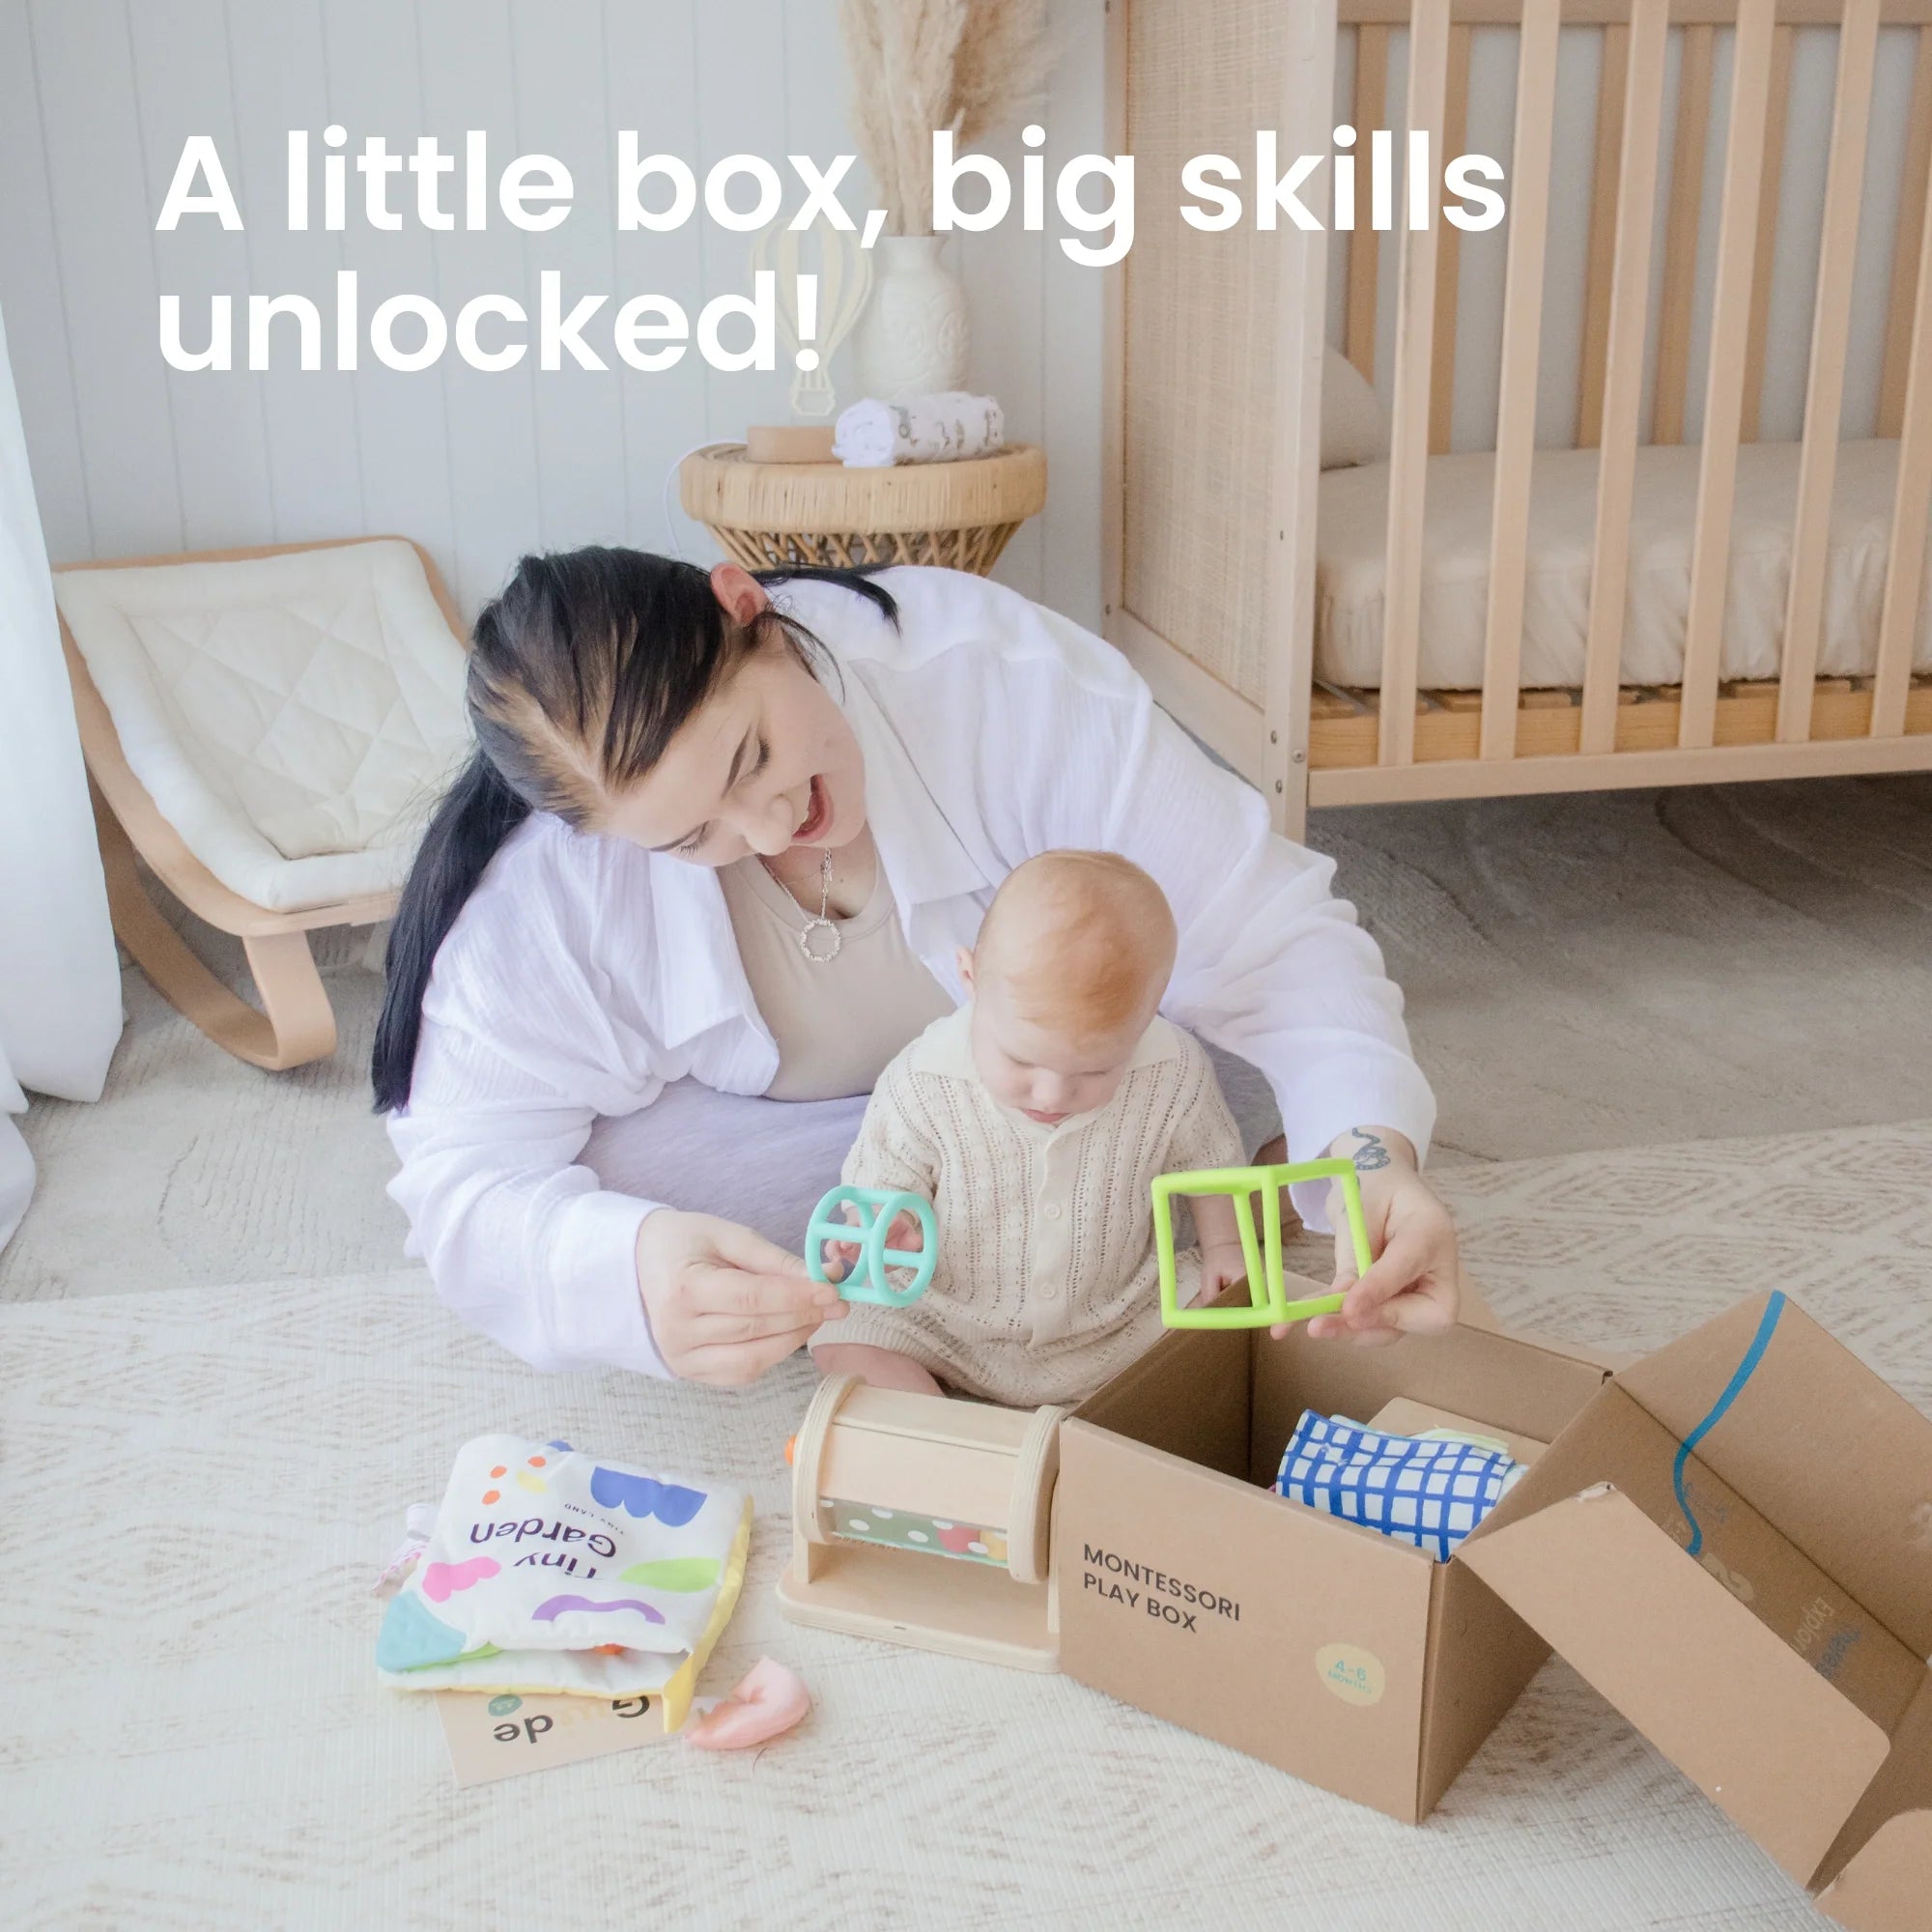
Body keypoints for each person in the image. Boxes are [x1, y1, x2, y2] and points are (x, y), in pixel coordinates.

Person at [373, 552, 1461, 1388]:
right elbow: (462, 1179)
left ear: (746, 606)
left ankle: (1126, 1208)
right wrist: (632, 1272)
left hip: (1071, 1070)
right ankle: (1069, 1234)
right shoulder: (551, 884)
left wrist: (1370, 1157)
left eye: (753, 757)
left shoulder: (992, 679)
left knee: (1172, 1028)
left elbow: (1271, 939)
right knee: (623, 1185)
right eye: (692, 836)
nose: (769, 829)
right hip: (795, 1139)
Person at [812, 850, 1255, 1405]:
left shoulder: (1172, 1068)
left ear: (1148, 1016)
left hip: (1118, 1316)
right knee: (845, 1332)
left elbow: (1212, 1168)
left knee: (1232, 1313)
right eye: (1021, 1060)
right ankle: (944, 1431)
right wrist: (888, 1223)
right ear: (970, 979)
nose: (1051, 1095)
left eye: (1094, 1071)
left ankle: (1114, 1423)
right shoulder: (923, 1080)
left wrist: (1225, 1248)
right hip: (944, 1321)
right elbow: (877, 1183)